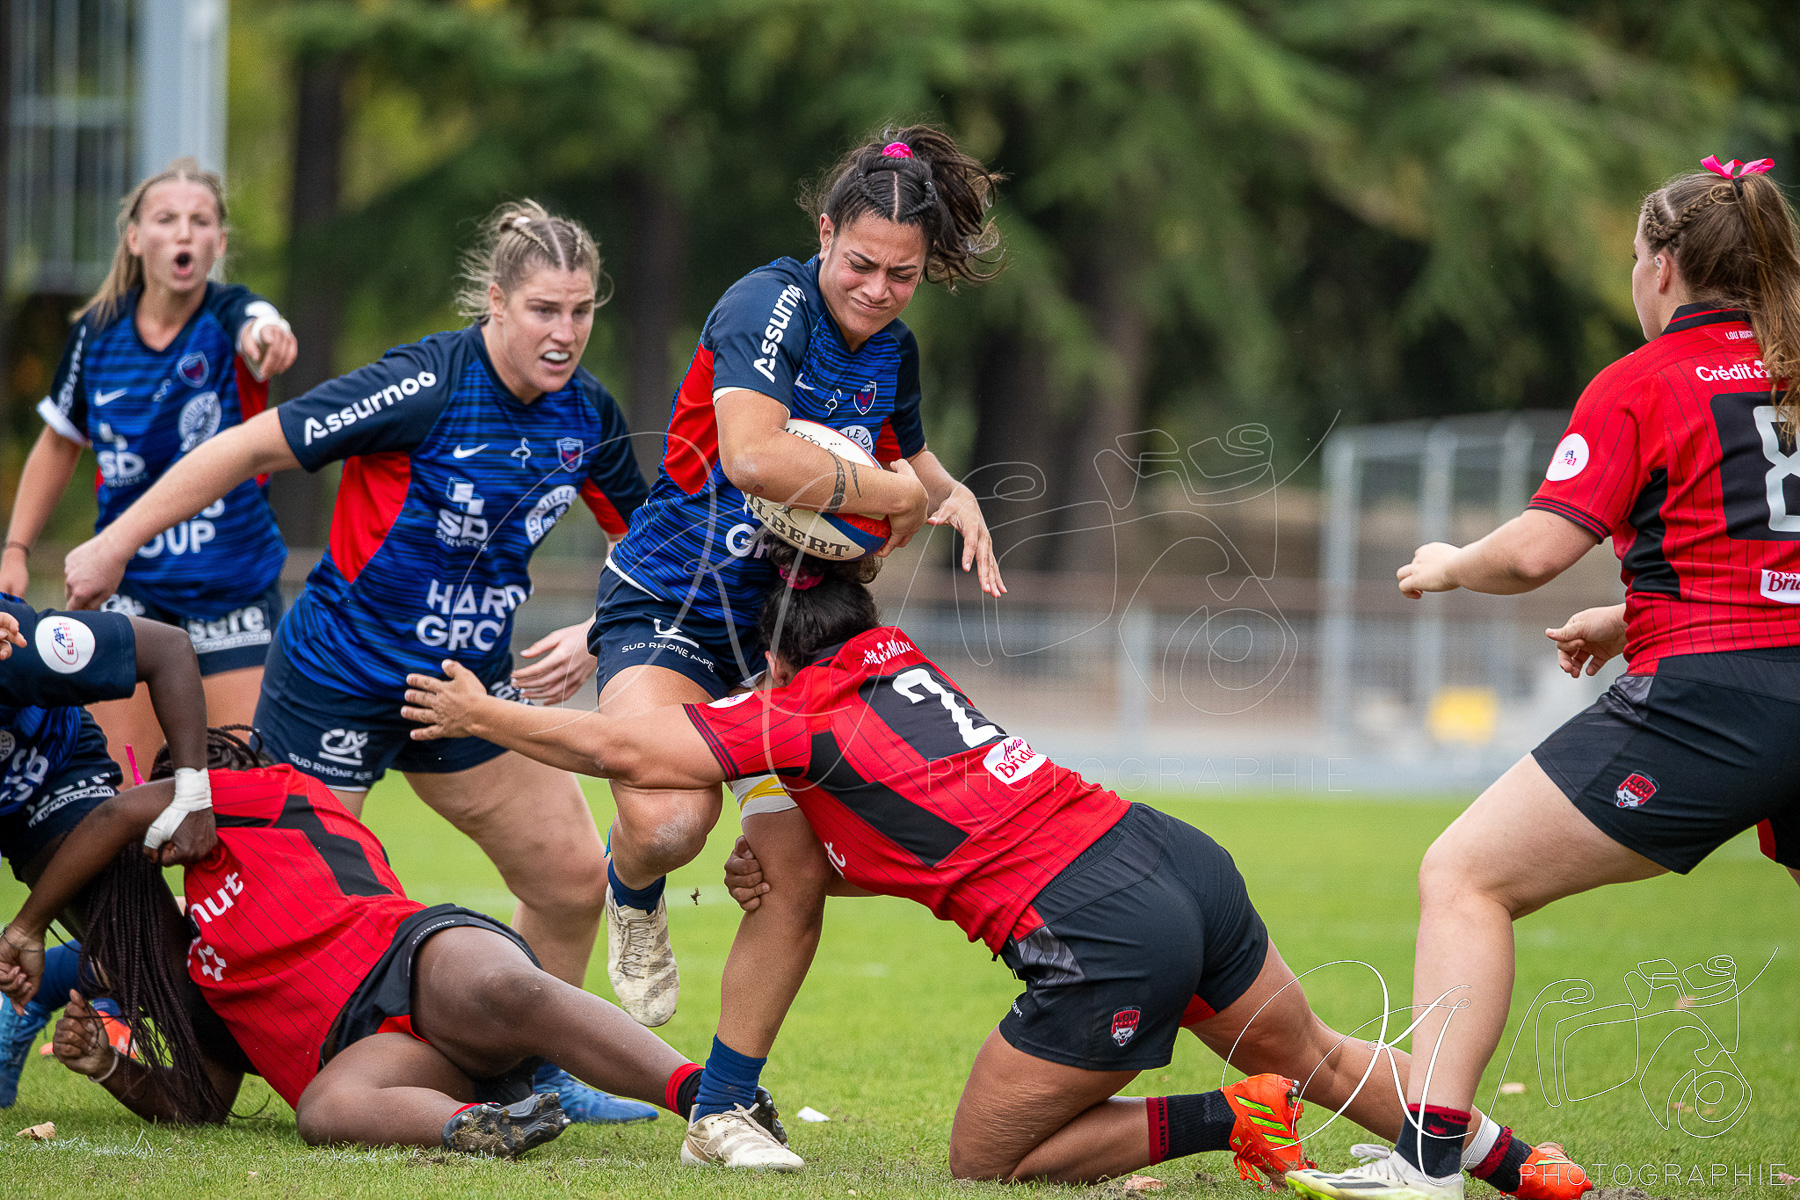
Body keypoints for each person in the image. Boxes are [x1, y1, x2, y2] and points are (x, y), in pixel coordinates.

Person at [401, 545, 1589, 1193]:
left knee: (989, 1161)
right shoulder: (893, 654)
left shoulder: (793, 717)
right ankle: (1518, 1165)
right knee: (1320, 1048)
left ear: (764, 649)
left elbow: (620, 745)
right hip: (1172, 855)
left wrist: (486, 710)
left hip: (1100, 926)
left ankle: (1227, 1115)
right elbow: (937, 832)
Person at [58, 200, 653, 1122]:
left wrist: (597, 632)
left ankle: (537, 1068)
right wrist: (114, 544)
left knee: (574, 880)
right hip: (335, 681)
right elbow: (248, 446)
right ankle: (68, 983)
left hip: (461, 696)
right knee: (266, 912)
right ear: (495, 304)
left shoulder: (588, 417)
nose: (565, 332)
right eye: (544, 309)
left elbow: (653, 544)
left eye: (581, 311)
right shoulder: (424, 383)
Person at [1281, 155, 1800, 1200]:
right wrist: (1630, 614)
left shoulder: (1643, 380)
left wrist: (1449, 563)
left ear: (1661, 268)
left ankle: (1425, 1164)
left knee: (1464, 876)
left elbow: (1533, 554)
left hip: (1714, 698)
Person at [591, 126, 1008, 1154]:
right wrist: (891, 497)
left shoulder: (894, 348)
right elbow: (754, 458)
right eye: (860, 263)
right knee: (668, 824)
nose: (876, 289)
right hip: (675, 610)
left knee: (795, 870)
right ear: (824, 234)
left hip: (789, 638)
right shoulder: (766, 305)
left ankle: (723, 1107)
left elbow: (909, 455)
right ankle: (629, 888)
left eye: (901, 275)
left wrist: (956, 504)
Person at [0, 729, 780, 1155]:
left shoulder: (279, 794)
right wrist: (107, 1065)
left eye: (185, 780)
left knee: (509, 990)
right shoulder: (193, 950)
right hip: (365, 1049)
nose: (171, 796)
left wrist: (30, 922)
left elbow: (118, 812)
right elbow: (200, 1105)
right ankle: (477, 1128)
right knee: (324, 1110)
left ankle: (716, 1100)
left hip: (408, 956)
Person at [1, 158, 297, 773]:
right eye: (167, 219)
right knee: (124, 790)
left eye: (201, 221)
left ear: (218, 244)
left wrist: (270, 337)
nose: (184, 232)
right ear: (135, 239)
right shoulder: (98, 333)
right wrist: (16, 549)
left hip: (232, 597)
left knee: (241, 789)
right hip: (133, 592)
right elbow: (59, 443)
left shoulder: (228, 314)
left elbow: (260, 328)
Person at [0, 593, 216, 1105]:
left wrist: (193, 795)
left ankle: (46, 980)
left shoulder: (20, 646)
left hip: (45, 780)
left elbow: (168, 648)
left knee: (155, 969)